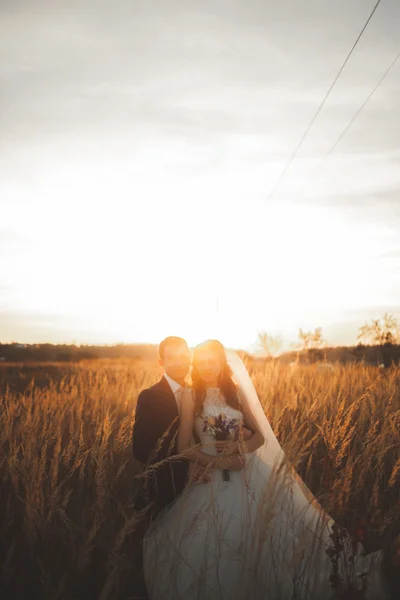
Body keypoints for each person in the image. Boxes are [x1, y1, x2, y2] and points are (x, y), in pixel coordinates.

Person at [142, 339, 389, 600]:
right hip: (210, 475)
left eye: (212, 361)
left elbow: (259, 438)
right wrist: (219, 461)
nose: (207, 367)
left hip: (247, 470)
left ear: (221, 363)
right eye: (201, 362)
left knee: (263, 530)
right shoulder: (192, 395)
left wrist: (238, 447)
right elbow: (183, 446)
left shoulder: (235, 392)